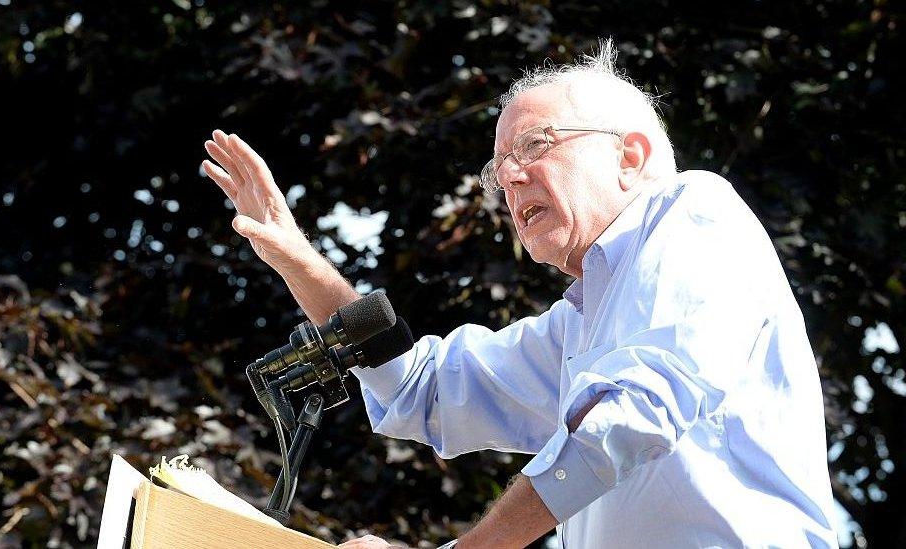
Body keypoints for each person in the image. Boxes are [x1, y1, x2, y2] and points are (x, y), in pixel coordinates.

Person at [202, 40, 839, 549]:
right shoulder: (581, 328)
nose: (507, 177)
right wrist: (301, 261)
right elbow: (422, 388)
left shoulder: (695, 212)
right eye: (497, 165)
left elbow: (630, 416)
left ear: (629, 156)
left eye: (535, 146)